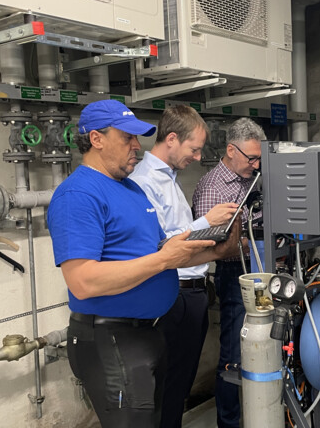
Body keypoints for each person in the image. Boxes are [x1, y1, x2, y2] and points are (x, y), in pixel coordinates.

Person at [47, 99, 240, 428]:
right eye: (127, 138)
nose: (137, 146)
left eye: (137, 138)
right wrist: (164, 259)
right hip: (110, 338)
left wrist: (216, 252)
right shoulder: (78, 195)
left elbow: (163, 249)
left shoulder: (131, 189)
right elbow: (83, 281)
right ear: (96, 139)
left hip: (147, 332)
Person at [129, 104, 238, 428]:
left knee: (179, 386)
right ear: (172, 139)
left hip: (191, 294)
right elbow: (159, 245)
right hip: (172, 294)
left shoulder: (169, 180)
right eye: (194, 149)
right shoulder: (144, 182)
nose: (197, 156)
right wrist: (207, 222)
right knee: (165, 390)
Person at [192, 117, 265, 428]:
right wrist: (257, 240)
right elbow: (213, 245)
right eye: (252, 158)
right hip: (235, 275)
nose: (257, 165)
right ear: (231, 151)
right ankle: (229, 422)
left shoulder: (252, 178)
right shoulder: (213, 187)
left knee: (267, 342)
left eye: (260, 158)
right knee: (234, 353)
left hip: (261, 271)